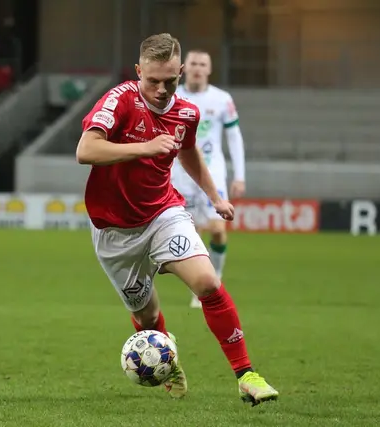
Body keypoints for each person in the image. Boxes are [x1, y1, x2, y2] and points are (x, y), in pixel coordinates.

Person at [76, 33, 278, 406]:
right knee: (149, 316)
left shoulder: (186, 112)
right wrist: (145, 147)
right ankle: (170, 362)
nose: (161, 89)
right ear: (139, 71)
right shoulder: (120, 100)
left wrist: (215, 196)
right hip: (114, 232)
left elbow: (188, 153)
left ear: (180, 72)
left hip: (163, 214)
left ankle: (247, 375)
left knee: (207, 283)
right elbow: (85, 150)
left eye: (170, 80)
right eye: (153, 80)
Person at [171, 49, 246, 309]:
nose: (198, 68)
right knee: (192, 232)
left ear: (209, 69)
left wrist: (240, 175)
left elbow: (234, 138)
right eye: (193, 63)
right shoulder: (173, 95)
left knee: (217, 229)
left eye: (203, 64)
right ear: (184, 67)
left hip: (212, 173)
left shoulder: (222, 99)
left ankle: (216, 276)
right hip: (180, 173)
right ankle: (202, 287)